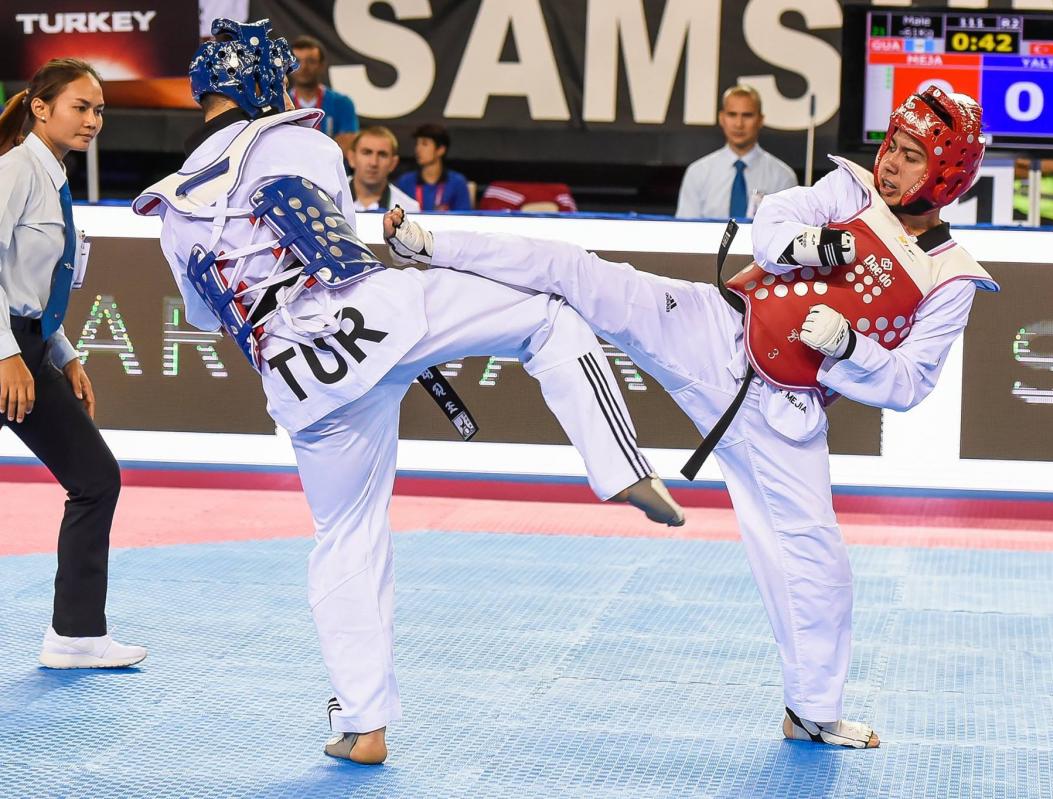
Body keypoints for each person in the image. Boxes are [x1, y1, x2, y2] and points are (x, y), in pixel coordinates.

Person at [135, 18, 684, 765]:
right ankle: (624, 468)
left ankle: (363, 724)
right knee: (546, 319)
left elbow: (207, 313)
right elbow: (340, 243)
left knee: (345, 540)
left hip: (294, 377)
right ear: (264, 83)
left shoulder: (166, 205)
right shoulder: (300, 140)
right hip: (370, 319)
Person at [393, 86, 999, 749]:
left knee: (819, 567)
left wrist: (850, 349)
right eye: (891, 146)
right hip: (714, 329)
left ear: (945, 174)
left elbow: (910, 382)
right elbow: (773, 224)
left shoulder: (951, 278)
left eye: (911, 157)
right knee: (578, 272)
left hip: (785, 416)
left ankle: (813, 713)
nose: (889, 165)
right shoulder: (847, 190)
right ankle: (432, 244)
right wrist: (813, 246)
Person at [0, 59, 146, 669]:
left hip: (29, 350)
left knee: (94, 479)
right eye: (81, 107)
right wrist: (6, 354)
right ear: (40, 107)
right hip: (5, 352)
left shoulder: (51, 176)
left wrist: (65, 354)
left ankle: (77, 636)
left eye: (100, 110)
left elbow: (33, 284)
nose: (94, 120)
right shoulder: (13, 170)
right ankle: (77, 635)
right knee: (96, 479)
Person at [675, 85, 798, 220]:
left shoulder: (782, 177)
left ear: (760, 120)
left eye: (747, 115)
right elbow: (685, 230)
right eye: (732, 114)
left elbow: (787, 233)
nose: (739, 124)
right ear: (722, 118)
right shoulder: (698, 172)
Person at [287, 34, 359, 160]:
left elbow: (347, 148)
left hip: (331, 176)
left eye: (311, 61)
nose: (303, 67)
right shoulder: (280, 103)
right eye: (297, 61)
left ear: (321, 65)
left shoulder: (342, 103)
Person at [397, 123, 472, 211]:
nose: (418, 149)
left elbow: (464, 219)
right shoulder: (405, 182)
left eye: (424, 144)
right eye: (417, 144)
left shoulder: (457, 182)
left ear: (440, 150)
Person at [347, 126, 418, 213]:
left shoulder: (409, 209)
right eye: (367, 153)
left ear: (393, 163)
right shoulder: (329, 199)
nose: (373, 163)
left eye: (382, 155)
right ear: (352, 158)